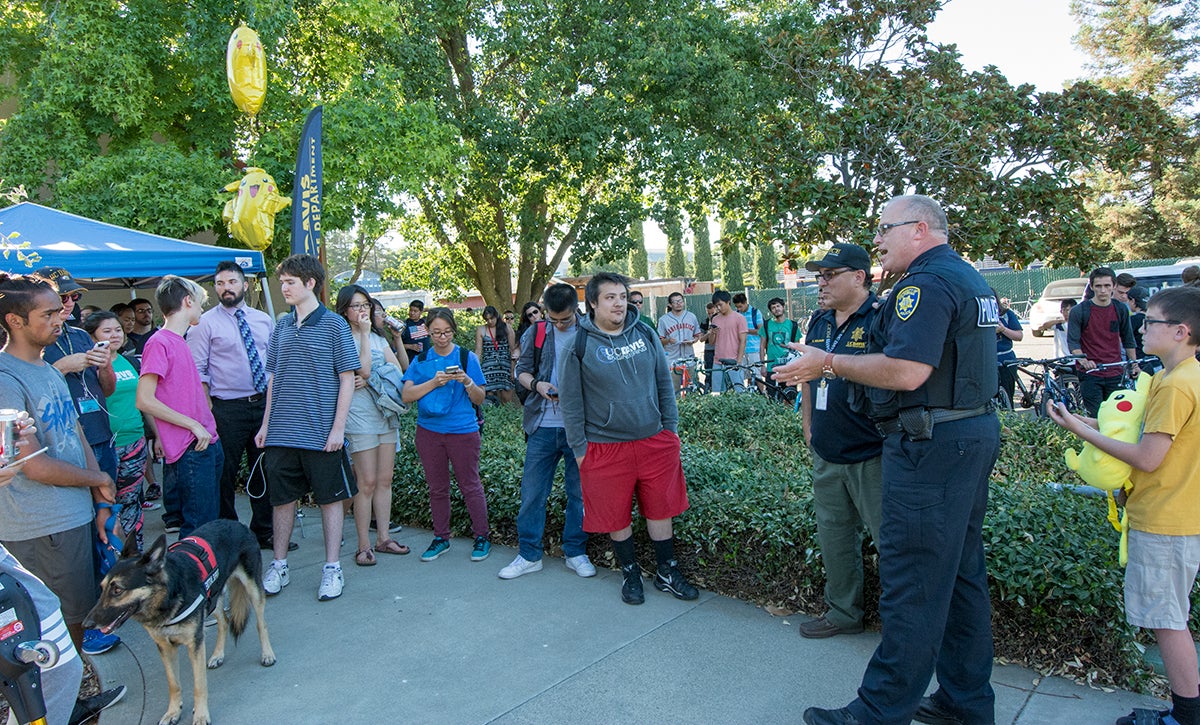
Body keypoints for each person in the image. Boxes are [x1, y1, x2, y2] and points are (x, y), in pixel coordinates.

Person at [775, 195, 1001, 725]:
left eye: (884, 229)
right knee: (961, 576)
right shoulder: (967, 278)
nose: (877, 239)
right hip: (964, 437)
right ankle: (964, 702)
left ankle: (878, 711)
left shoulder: (925, 284)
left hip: (931, 448)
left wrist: (828, 363)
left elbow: (906, 372)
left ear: (919, 229)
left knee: (914, 582)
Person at [1048, 285, 1200, 725]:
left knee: (1167, 622)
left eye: (1150, 321)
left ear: (1181, 331)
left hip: (1166, 519)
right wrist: (1084, 420)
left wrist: (1083, 434)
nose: (1140, 326)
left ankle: (1185, 716)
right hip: (1174, 514)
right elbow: (1141, 434)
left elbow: (1147, 458)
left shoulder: (1175, 386)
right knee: (1170, 617)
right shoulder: (1181, 376)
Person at [0, 273, 120, 658]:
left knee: (78, 621)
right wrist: (99, 477)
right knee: (51, 631)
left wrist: (100, 502)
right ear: (14, 321)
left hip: (74, 517)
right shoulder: (6, 379)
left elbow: (75, 434)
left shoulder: (49, 370)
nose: (61, 320)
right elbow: (34, 466)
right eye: (49, 314)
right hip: (40, 528)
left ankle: (76, 693)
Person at [558, 272, 697, 605]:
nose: (618, 303)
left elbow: (665, 384)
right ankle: (630, 572)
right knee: (616, 514)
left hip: (654, 441)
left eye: (622, 296)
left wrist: (670, 431)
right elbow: (572, 405)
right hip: (605, 447)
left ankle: (667, 571)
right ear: (592, 303)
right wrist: (580, 451)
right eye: (610, 297)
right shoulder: (577, 346)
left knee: (660, 509)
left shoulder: (645, 333)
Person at [254, 254, 359, 602]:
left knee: (330, 501)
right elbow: (273, 379)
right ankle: (279, 564)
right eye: (282, 282)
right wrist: (267, 424)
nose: (282, 287)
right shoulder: (280, 327)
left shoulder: (334, 326)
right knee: (282, 500)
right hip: (282, 433)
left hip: (321, 433)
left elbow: (347, 379)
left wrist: (337, 429)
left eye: (289, 282)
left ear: (310, 283)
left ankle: (332, 568)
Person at [798, 242, 883, 639]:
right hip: (828, 452)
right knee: (835, 539)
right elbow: (809, 378)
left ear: (859, 277)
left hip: (874, 454)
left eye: (830, 275)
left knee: (892, 544)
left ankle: (906, 627)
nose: (822, 282)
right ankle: (844, 613)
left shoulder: (882, 320)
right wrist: (809, 427)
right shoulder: (819, 322)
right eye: (820, 275)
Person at [186, 261, 285, 552]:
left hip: (263, 406)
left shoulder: (263, 320)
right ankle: (228, 534)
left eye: (231, 282)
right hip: (226, 409)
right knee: (224, 474)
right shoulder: (204, 323)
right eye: (220, 283)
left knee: (265, 469)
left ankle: (264, 532)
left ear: (245, 285)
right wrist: (207, 414)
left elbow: (274, 364)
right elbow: (198, 372)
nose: (226, 288)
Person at [499, 283, 595, 580]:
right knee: (532, 493)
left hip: (579, 429)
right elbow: (521, 370)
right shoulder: (537, 332)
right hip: (542, 425)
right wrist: (537, 385)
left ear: (576, 309)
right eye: (552, 318)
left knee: (579, 494)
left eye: (564, 319)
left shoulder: (591, 331)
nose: (558, 324)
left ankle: (575, 551)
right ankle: (529, 554)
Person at [400, 308, 492, 563]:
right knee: (437, 488)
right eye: (437, 332)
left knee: (470, 485)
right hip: (428, 432)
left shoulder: (466, 357)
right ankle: (441, 537)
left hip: (463, 430)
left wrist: (466, 381)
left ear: (454, 330)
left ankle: (482, 536)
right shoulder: (420, 361)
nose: (442, 338)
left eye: (448, 332)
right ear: (428, 331)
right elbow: (406, 395)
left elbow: (480, 397)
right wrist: (434, 382)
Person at [135, 276, 223, 541]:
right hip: (191, 446)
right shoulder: (159, 342)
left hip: (206, 441)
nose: (202, 309)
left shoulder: (179, 340)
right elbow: (144, 399)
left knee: (208, 522)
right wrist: (193, 425)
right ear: (187, 301)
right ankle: (193, 580)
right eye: (200, 303)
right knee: (198, 528)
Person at [336, 285, 410, 567]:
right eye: (356, 306)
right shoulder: (342, 338)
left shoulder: (379, 340)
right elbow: (363, 368)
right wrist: (366, 337)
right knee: (364, 482)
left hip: (385, 413)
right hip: (359, 416)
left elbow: (396, 372)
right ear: (345, 310)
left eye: (365, 304)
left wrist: (368, 378)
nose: (363, 310)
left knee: (385, 479)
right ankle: (363, 545)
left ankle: (383, 537)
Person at [37, 267, 117, 485]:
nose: (70, 302)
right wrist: (62, 367)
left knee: (109, 507)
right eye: (63, 297)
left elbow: (108, 390)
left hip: (101, 433)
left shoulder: (81, 335)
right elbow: (30, 390)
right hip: (65, 443)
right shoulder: (34, 341)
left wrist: (105, 366)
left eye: (75, 296)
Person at [84, 311, 156, 552]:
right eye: (107, 331)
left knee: (132, 500)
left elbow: (143, 402)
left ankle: (134, 554)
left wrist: (155, 436)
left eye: (117, 329)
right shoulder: (88, 367)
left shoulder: (130, 361)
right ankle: (110, 554)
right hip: (105, 445)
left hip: (134, 441)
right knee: (106, 502)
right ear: (92, 335)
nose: (114, 335)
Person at [1068, 267, 1137, 417]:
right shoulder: (1079, 311)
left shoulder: (1120, 309)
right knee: (1096, 417)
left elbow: (1128, 339)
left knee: (1117, 416)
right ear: (1092, 287)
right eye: (1098, 286)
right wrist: (1083, 360)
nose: (1103, 290)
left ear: (1114, 286)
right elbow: (1073, 342)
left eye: (1107, 286)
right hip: (1090, 373)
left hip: (1115, 371)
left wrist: (1134, 364)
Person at [474, 305, 518, 405]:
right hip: (488, 367)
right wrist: (476, 369)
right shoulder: (481, 329)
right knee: (489, 400)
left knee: (507, 400)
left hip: (505, 366)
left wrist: (512, 370)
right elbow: (478, 351)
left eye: (491, 318)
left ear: (496, 316)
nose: (489, 321)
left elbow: (513, 350)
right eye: (487, 319)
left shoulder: (507, 328)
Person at [706, 290, 747, 392]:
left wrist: (739, 361)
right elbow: (711, 342)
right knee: (716, 392)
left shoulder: (739, 318)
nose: (719, 308)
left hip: (733, 361)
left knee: (739, 391)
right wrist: (712, 333)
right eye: (716, 306)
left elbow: (743, 341)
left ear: (728, 302)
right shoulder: (715, 319)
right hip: (718, 361)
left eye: (720, 304)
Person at [994, 292, 1024, 405]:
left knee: (1007, 394)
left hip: (1006, 359)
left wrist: (1003, 329)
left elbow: (1019, 336)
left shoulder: (1007, 314)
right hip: (987, 360)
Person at [657, 292, 700, 363]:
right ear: (670, 305)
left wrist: (693, 340)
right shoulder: (663, 320)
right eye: (675, 302)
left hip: (689, 358)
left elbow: (697, 335)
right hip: (671, 360)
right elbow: (659, 340)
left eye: (680, 301)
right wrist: (668, 340)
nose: (678, 303)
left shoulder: (691, 317)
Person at [761, 297, 801, 372]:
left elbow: (797, 347)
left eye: (778, 306)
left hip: (789, 366)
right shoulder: (766, 325)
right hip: (772, 367)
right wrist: (762, 366)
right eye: (773, 308)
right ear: (771, 311)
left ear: (783, 307)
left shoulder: (793, 325)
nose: (776, 309)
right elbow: (762, 346)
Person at [732, 292, 764, 367]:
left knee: (756, 375)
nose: (739, 309)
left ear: (745, 302)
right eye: (737, 307)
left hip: (754, 350)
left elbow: (760, 331)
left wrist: (745, 330)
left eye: (740, 306)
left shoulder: (755, 313)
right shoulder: (736, 314)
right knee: (745, 376)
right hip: (740, 351)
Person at [700, 301, 717, 387]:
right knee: (708, 370)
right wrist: (708, 333)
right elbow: (701, 339)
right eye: (708, 313)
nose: (710, 315)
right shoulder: (704, 322)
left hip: (718, 349)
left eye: (712, 313)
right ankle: (708, 387)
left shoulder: (719, 320)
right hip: (708, 349)